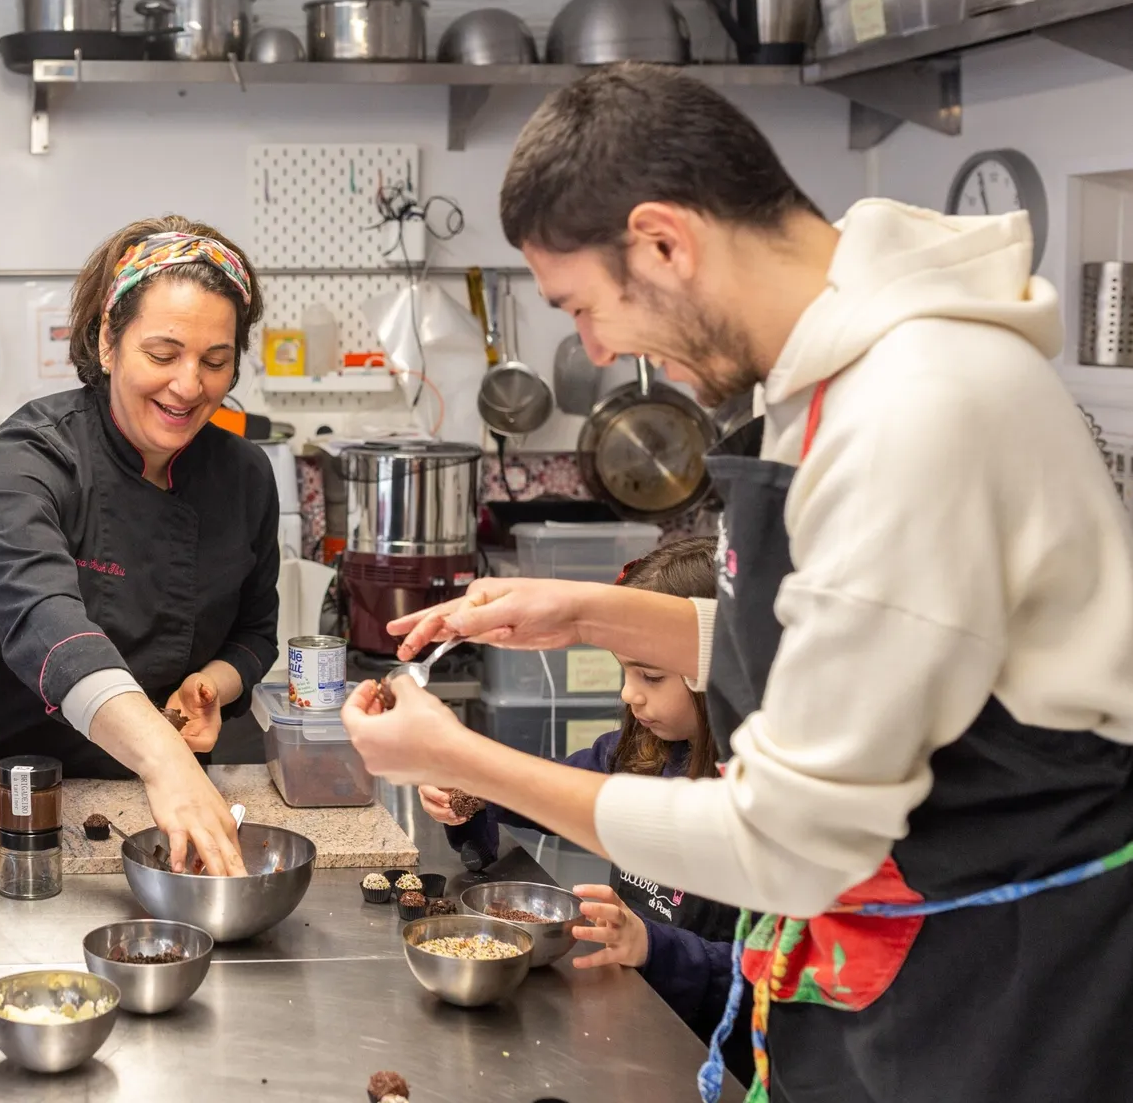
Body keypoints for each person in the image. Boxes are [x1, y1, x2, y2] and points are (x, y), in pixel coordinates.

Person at [343, 63, 1133, 1103]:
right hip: (896, 963)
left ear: (664, 243)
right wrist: (590, 613)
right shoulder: (834, 374)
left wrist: (460, 758)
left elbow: (786, 842)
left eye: (583, 307)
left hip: (996, 998)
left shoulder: (916, 408)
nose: (597, 349)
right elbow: (869, 651)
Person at [0, 216, 279, 876]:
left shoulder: (244, 475)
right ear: (108, 341)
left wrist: (211, 684)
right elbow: (48, 627)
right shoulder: (27, 458)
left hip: (139, 799)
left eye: (215, 361)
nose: (189, 385)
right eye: (163, 355)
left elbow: (255, 634)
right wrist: (165, 758)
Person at [422, 537, 753, 1085]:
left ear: (719, 670)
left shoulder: (757, 800)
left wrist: (650, 945)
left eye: (651, 676)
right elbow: (550, 790)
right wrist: (471, 793)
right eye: (624, 672)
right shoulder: (635, 753)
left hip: (714, 1063)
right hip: (632, 1028)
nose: (628, 695)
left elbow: (763, 980)